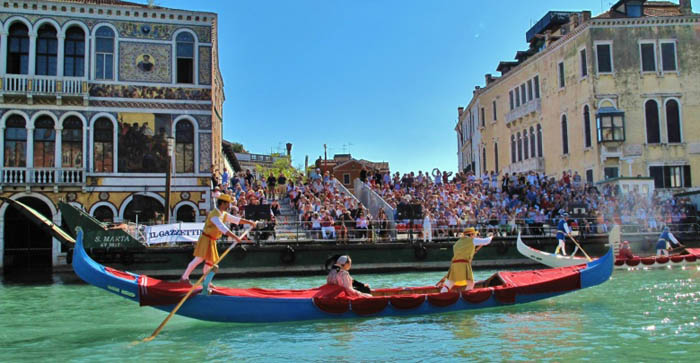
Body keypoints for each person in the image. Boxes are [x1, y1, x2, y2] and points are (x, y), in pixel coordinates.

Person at [180, 194, 257, 286]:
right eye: (227, 204)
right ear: (222, 204)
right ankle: (184, 278)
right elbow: (222, 228)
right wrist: (235, 237)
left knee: (210, 262)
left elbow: (236, 220)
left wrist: (249, 222)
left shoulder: (223, 214)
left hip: (212, 240)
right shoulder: (214, 215)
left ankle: (206, 281)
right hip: (206, 239)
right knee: (199, 259)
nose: (229, 206)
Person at [436, 227, 493, 293]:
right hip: (463, 265)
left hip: (454, 265)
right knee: (471, 283)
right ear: (471, 234)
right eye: (474, 234)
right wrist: (491, 236)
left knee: (450, 283)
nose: (475, 236)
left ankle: (442, 295)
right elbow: (487, 241)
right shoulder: (472, 240)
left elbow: (463, 252)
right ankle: (467, 297)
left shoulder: (457, 243)